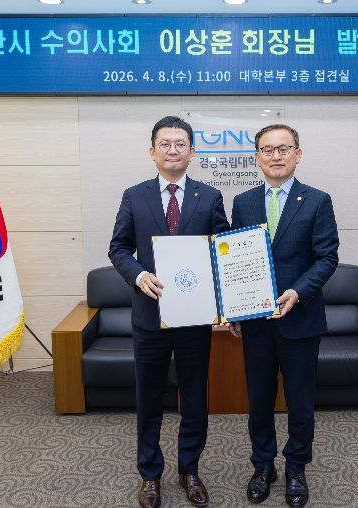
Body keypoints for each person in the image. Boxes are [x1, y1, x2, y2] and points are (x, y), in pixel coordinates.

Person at [108, 116, 229, 508]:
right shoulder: (134, 196)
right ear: (152, 151)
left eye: (180, 144)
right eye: (165, 143)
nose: (173, 150)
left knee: (194, 395)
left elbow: (223, 250)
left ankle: (190, 469)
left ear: (192, 152)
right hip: (149, 315)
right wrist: (138, 274)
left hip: (194, 317)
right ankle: (150, 474)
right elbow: (118, 248)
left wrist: (229, 299)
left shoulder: (209, 197)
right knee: (149, 397)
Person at [231, 124, 339, 508]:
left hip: (301, 319)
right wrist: (235, 308)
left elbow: (327, 257)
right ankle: (263, 466)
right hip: (256, 322)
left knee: (300, 401)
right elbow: (236, 257)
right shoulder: (243, 202)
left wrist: (298, 291)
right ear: (257, 158)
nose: (275, 156)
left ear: (297, 154)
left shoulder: (318, 201)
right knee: (259, 400)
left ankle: (296, 467)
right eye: (267, 149)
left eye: (283, 148)